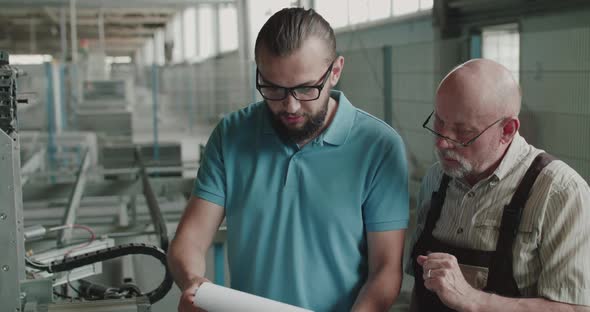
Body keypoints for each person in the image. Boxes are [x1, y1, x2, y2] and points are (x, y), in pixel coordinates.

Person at [168, 7, 409, 312]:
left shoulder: (378, 147)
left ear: (335, 71)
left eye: (306, 88)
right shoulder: (232, 135)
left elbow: (386, 269)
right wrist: (193, 282)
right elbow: (190, 239)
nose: (290, 106)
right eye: (273, 88)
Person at [408, 58, 590, 311]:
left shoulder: (560, 193)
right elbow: (421, 289)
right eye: (439, 121)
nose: (442, 143)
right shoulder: (436, 179)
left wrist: (473, 299)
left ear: (507, 130)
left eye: (463, 132)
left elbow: (576, 309)